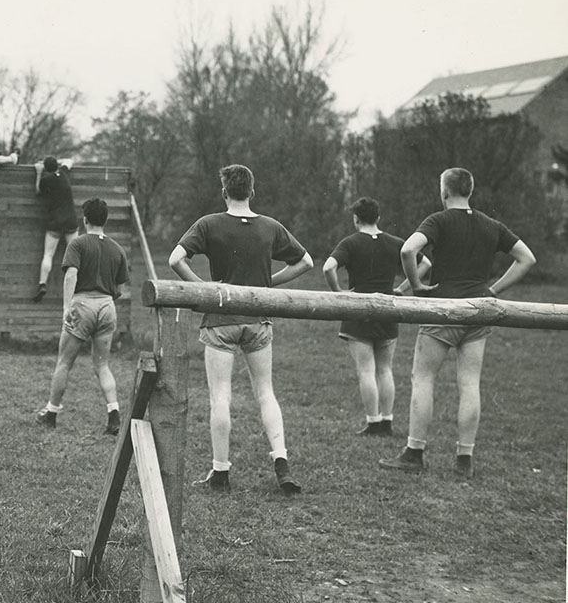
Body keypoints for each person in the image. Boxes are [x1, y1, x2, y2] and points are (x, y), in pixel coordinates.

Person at [379, 168, 536, 479]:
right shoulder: (491, 225)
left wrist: (417, 286)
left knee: (423, 379)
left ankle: (414, 452)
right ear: (470, 191)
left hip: (444, 309)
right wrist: (492, 290)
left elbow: (408, 249)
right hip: (478, 311)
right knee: (470, 384)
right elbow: (527, 258)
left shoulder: (438, 220)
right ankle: (464, 458)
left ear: (444, 191)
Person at [169, 164, 313, 495]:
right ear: (252, 191)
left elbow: (176, 259)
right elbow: (306, 262)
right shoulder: (271, 226)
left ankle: (220, 472)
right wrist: (266, 286)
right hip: (258, 319)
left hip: (221, 319)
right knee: (266, 392)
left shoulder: (208, 224)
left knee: (221, 395)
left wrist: (204, 290)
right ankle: (281, 462)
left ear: (224, 192)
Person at [322, 197, 432, 437]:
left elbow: (328, 267)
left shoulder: (350, 243)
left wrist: (338, 292)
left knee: (366, 370)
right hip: (387, 309)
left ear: (356, 218)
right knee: (385, 369)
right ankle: (387, 421)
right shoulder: (395, 243)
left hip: (358, 310)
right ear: (378, 217)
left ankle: (372, 422)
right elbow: (425, 264)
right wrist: (404, 287)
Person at [35, 197, 130, 435]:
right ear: (105, 220)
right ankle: (114, 414)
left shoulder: (77, 244)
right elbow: (119, 288)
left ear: (85, 219)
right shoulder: (117, 249)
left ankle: (51, 412)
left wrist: (68, 307)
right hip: (107, 307)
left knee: (64, 362)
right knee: (102, 365)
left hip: (83, 305)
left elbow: (71, 276)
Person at [33, 156, 78, 301]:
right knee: (75, 257)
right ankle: (78, 285)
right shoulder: (63, 173)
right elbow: (70, 160)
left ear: (46, 168)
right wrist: (58, 162)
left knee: (48, 255)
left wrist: (39, 172)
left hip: (55, 222)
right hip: (70, 221)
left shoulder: (46, 180)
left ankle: (42, 284)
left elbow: (38, 190)